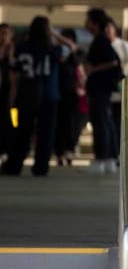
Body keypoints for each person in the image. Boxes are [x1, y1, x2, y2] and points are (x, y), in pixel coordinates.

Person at [1, 16, 74, 177]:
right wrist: (55, 34)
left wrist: (13, 98)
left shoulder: (22, 48)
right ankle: (41, 167)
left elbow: (15, 72)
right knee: (46, 133)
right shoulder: (52, 48)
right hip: (49, 96)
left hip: (26, 95)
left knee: (22, 132)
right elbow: (71, 48)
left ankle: (14, 165)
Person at [84, 8, 122, 174]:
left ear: (94, 23)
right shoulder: (100, 40)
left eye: (88, 20)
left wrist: (93, 69)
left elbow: (114, 62)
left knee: (101, 123)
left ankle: (102, 159)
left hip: (100, 88)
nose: (85, 24)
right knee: (104, 122)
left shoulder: (101, 40)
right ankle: (108, 159)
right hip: (100, 88)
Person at [104, 18, 128, 152]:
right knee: (110, 122)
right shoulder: (102, 46)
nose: (108, 31)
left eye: (110, 27)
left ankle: (121, 151)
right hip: (109, 89)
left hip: (124, 88)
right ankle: (112, 151)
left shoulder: (123, 45)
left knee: (121, 121)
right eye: (105, 28)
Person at [54, 28, 82, 166]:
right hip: (57, 93)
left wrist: (56, 35)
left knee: (70, 124)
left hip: (70, 94)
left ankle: (69, 150)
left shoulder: (74, 55)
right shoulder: (56, 52)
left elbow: (72, 47)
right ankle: (60, 152)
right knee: (58, 124)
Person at [0, 23, 14, 163]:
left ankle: (6, 152)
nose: (3, 36)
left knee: (9, 122)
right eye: (1, 33)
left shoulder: (13, 52)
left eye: (6, 33)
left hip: (8, 94)